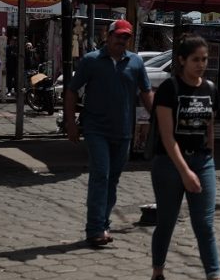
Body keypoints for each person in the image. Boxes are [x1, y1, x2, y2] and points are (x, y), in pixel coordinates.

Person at [147, 34, 220, 280]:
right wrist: (184, 171)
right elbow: (167, 137)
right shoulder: (169, 90)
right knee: (167, 222)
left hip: (202, 162)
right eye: (195, 59)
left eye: (204, 59)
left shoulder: (209, 88)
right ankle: (158, 275)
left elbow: (210, 127)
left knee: (204, 225)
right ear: (181, 60)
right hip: (170, 163)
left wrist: (209, 161)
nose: (201, 64)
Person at [64, 19, 153, 247]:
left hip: (123, 131)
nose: (121, 41)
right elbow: (72, 91)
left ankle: (103, 224)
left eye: (126, 38)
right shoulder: (91, 61)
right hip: (96, 130)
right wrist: (71, 123)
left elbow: (146, 92)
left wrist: (159, 119)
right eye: (118, 36)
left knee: (112, 180)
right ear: (108, 36)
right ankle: (94, 229)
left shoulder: (135, 62)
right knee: (100, 176)